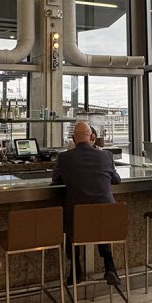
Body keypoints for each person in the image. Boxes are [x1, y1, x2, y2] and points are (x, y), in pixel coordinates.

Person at [52, 121, 121, 286]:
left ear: (73, 139)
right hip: (108, 221)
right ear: (92, 138)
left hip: (78, 221)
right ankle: (109, 265)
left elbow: (55, 180)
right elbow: (116, 180)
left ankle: (75, 269)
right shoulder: (106, 156)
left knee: (72, 217)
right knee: (100, 213)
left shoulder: (64, 158)